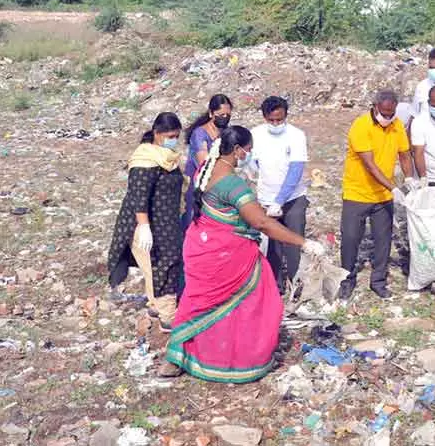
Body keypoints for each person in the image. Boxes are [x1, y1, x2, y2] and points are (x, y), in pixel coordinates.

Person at [160, 126, 325, 382]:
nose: (250, 155)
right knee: (256, 300)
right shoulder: (233, 185)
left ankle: (181, 356)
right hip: (227, 256)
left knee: (197, 302)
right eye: (248, 150)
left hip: (201, 246)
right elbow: (262, 224)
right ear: (237, 151)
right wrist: (304, 243)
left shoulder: (206, 170)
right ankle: (240, 360)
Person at [107, 112, 185, 329]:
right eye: (170, 135)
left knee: (160, 263)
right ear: (156, 133)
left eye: (176, 136)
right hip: (147, 224)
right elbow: (138, 195)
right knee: (162, 265)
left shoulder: (166, 156)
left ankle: (154, 305)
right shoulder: (145, 160)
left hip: (166, 222)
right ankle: (168, 315)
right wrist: (143, 227)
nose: (173, 139)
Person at [339, 89, 415, 300]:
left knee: (383, 241)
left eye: (391, 114)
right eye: (384, 113)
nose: (387, 118)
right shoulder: (361, 126)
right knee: (351, 239)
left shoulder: (396, 125)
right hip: (357, 193)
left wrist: (410, 180)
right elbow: (370, 165)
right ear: (374, 107)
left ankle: (378, 281)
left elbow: (404, 154)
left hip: (383, 197)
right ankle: (346, 280)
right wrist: (394, 188)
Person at [246, 96, 309, 292]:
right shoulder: (255, 135)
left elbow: (295, 170)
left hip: (292, 199)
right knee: (272, 245)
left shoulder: (296, 135)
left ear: (286, 116)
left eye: (279, 120)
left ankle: (295, 283)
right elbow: (252, 163)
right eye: (271, 120)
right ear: (265, 117)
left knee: (293, 241)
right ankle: (275, 285)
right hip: (266, 199)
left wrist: (279, 201)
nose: (275, 124)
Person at [181, 94, 233, 230]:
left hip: (220, 186)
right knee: (194, 225)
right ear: (211, 113)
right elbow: (204, 163)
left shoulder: (226, 132)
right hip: (200, 186)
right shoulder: (200, 134)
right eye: (221, 115)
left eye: (228, 115)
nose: (225, 118)